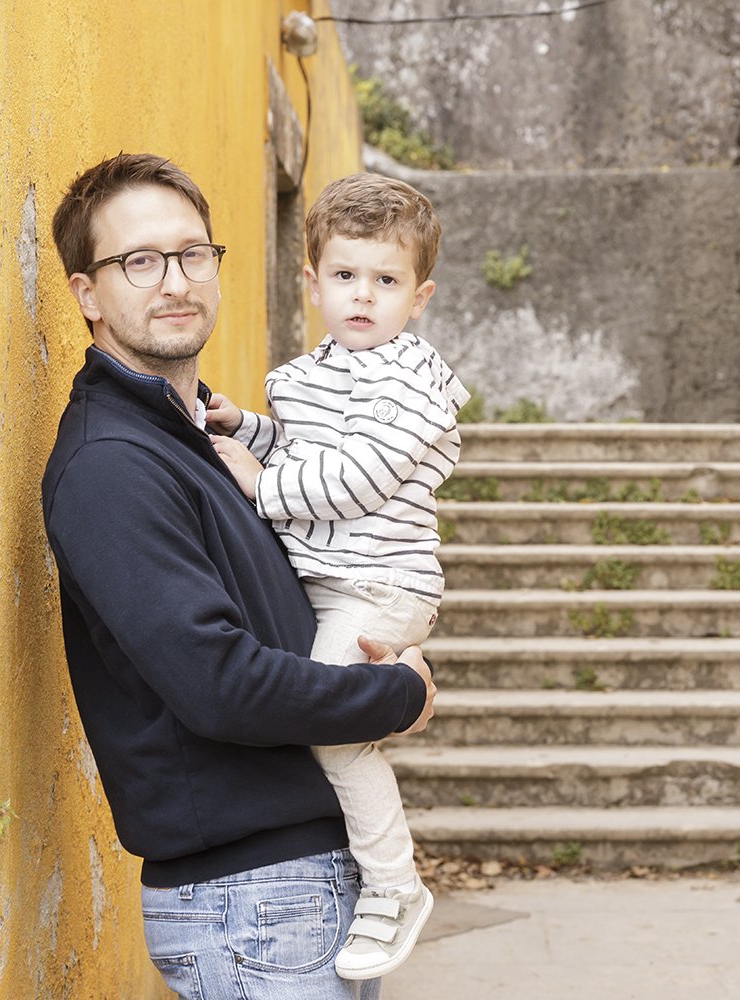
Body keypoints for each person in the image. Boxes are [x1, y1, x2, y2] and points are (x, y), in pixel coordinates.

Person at [41, 153, 436, 1000]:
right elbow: (219, 685)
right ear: (86, 294)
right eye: (138, 262)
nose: (175, 281)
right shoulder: (110, 464)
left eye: (193, 254)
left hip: (294, 894)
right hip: (252, 903)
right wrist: (398, 695)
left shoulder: (194, 433)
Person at [205, 173, 468, 980]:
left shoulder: (414, 386)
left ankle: (395, 886)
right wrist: (244, 427)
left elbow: (354, 476)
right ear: (312, 282)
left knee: (332, 731)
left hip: (380, 588)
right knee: (325, 726)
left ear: (417, 297)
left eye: (386, 282)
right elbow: (303, 442)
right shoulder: (320, 369)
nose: (364, 297)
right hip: (332, 579)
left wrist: (259, 484)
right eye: (346, 277)